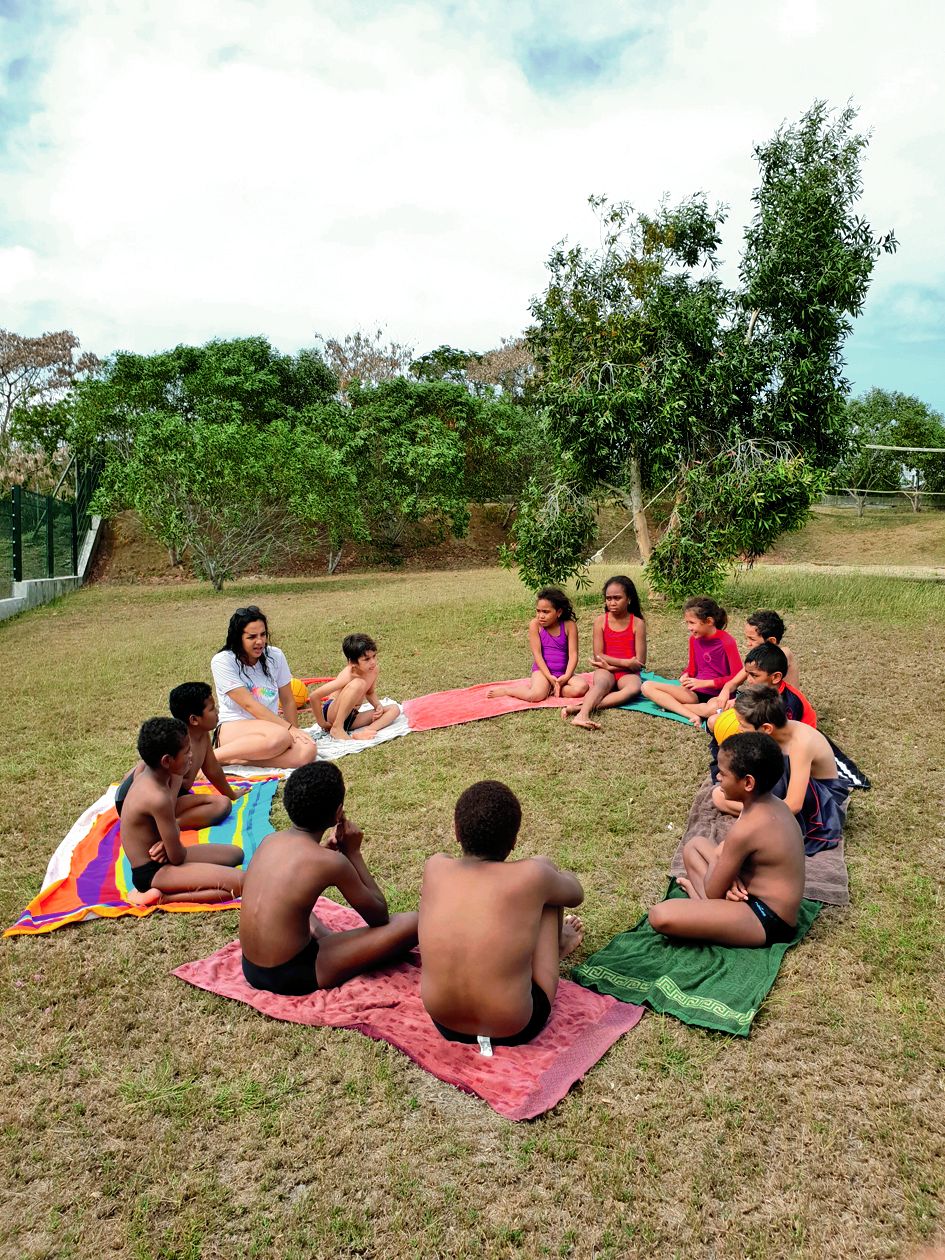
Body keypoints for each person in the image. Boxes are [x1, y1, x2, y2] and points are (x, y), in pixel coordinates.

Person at [419, 780, 584, 1048]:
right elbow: (575, 894)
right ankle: (557, 947)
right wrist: (553, 873)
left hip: (444, 1022)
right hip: (514, 1026)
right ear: (514, 840)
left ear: (457, 832)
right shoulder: (532, 876)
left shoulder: (435, 867)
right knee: (547, 884)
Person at [239, 762, 418, 995]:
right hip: (292, 974)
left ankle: (328, 943)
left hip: (250, 968)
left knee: (285, 900)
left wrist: (326, 853)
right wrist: (353, 854)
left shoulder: (270, 840)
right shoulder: (331, 863)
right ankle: (330, 949)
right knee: (413, 922)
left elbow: (300, 871)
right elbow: (379, 916)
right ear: (338, 812)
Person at [649, 732, 804, 946]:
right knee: (694, 846)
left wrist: (720, 856)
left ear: (748, 782)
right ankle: (712, 910)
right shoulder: (774, 804)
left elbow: (713, 892)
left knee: (660, 915)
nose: (718, 778)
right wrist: (730, 877)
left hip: (767, 918)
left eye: (723, 774)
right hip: (751, 896)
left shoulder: (747, 829)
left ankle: (700, 901)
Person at [118, 717, 244, 907]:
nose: (192, 756)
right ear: (167, 760)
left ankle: (171, 887)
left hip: (167, 857)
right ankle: (161, 898)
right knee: (242, 883)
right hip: (153, 871)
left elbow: (172, 840)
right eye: (187, 752)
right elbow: (177, 857)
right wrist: (171, 840)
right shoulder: (157, 797)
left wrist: (168, 838)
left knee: (236, 855)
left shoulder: (155, 774)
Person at [715, 684, 849, 853]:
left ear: (766, 728)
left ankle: (761, 816)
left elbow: (794, 804)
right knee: (719, 796)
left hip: (818, 800)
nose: (740, 729)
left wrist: (755, 814)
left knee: (722, 799)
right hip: (788, 785)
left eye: (743, 725)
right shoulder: (774, 732)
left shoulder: (801, 744)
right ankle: (762, 812)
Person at [115, 682, 247, 829]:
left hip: (170, 795)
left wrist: (231, 794)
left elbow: (212, 769)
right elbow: (155, 785)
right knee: (221, 805)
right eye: (211, 709)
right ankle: (163, 825)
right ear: (194, 719)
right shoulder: (180, 744)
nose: (217, 712)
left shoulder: (201, 734)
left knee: (223, 802)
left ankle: (163, 822)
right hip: (136, 801)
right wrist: (168, 826)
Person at [210, 605, 317, 768]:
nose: (259, 641)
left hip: (271, 730)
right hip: (234, 728)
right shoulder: (223, 661)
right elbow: (249, 705)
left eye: (263, 634)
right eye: (252, 637)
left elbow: (288, 700)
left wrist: (295, 732)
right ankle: (208, 759)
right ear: (238, 638)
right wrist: (288, 730)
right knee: (281, 736)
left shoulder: (275, 655)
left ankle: (238, 760)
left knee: (307, 750)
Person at [640, 596, 742, 727]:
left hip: (718, 695)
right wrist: (686, 674)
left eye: (692, 623)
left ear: (709, 621)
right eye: (687, 623)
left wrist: (704, 683)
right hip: (694, 693)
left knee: (713, 710)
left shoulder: (727, 641)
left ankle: (674, 706)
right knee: (647, 686)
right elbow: (692, 668)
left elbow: (737, 677)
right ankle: (692, 714)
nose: (689, 627)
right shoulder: (694, 640)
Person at [562, 576, 647, 730]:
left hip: (626, 673)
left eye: (617, 598)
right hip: (606, 668)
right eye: (608, 598)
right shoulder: (600, 621)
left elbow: (639, 663)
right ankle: (583, 715)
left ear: (629, 599)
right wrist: (625, 663)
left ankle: (578, 708)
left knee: (634, 688)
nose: (612, 603)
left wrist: (614, 666)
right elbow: (598, 655)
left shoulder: (638, 624)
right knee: (601, 684)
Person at [487, 587, 590, 704]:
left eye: (546, 612)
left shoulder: (569, 625)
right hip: (542, 671)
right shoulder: (535, 625)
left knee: (582, 688)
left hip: (564, 673)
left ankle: (553, 688)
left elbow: (573, 654)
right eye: (538, 611)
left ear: (559, 612)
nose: (540, 616)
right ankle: (509, 691)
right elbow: (537, 654)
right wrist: (549, 677)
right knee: (535, 695)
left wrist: (566, 677)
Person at [308, 633, 400, 741]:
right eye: (366, 659)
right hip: (333, 713)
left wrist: (377, 705)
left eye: (374, 656)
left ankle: (366, 731)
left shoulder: (373, 670)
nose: (373, 662)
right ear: (352, 662)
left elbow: (369, 692)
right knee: (359, 683)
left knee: (394, 709)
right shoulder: (348, 675)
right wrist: (322, 723)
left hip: (352, 716)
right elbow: (314, 696)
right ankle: (337, 727)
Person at [714, 610, 800, 710]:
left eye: (752, 639)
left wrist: (738, 701)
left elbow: (765, 694)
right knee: (715, 703)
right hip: (761, 702)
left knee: (714, 717)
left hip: (779, 708)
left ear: (771, 641)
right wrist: (725, 690)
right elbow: (734, 683)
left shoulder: (784, 654)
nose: (748, 643)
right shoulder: (759, 659)